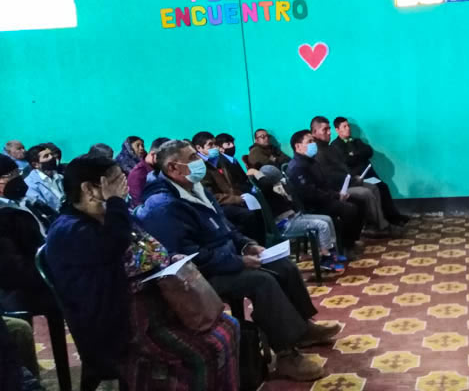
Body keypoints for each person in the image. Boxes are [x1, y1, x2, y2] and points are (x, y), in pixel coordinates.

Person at [137, 140, 338, 381]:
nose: (200, 161)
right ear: (172, 168)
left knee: (283, 265)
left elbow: (226, 227)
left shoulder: (196, 188)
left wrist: (246, 244)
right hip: (200, 275)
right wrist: (238, 262)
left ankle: (303, 329)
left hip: (225, 257)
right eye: (192, 158)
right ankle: (286, 354)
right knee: (262, 281)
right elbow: (190, 256)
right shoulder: (163, 206)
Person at [45, 154, 240, 390]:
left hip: (155, 305)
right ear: (89, 188)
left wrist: (169, 260)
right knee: (205, 349)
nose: (124, 187)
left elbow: (148, 247)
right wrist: (115, 202)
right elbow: (114, 247)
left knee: (229, 327)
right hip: (122, 322)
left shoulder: (108, 214)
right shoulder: (69, 230)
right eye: (116, 181)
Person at [311, 116, 400, 236]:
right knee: (366, 192)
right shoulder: (320, 151)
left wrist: (353, 177)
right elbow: (331, 175)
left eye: (329, 129)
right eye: (325, 130)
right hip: (337, 188)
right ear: (314, 132)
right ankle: (380, 226)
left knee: (375, 187)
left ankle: (377, 224)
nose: (329, 132)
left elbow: (366, 152)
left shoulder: (331, 148)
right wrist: (351, 180)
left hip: (348, 181)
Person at [0, 156, 59, 324]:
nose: (16, 178)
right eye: (9, 175)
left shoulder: (26, 202)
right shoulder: (4, 216)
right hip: (22, 291)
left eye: (16, 172)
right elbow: (11, 267)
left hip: (48, 272)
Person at [287, 130, 365, 257]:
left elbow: (324, 184)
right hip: (312, 205)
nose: (313, 144)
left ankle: (351, 240)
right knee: (349, 209)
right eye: (309, 141)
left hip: (323, 198)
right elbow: (310, 193)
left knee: (359, 202)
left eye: (313, 141)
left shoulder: (312, 161)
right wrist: (336, 196)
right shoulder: (298, 167)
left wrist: (338, 194)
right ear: (298, 146)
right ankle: (345, 247)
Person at [330, 116, 410, 225]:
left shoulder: (356, 141)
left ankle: (393, 216)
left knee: (383, 186)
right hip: (356, 177)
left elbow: (369, 151)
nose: (348, 128)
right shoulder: (335, 145)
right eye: (344, 126)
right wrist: (358, 156)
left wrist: (354, 155)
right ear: (337, 130)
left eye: (348, 125)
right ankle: (384, 219)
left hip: (368, 174)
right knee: (377, 188)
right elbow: (347, 160)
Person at [192, 132, 264, 244]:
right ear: (199, 148)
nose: (215, 147)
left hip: (232, 197)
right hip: (218, 205)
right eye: (210, 145)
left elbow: (232, 184)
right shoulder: (199, 167)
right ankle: (251, 246)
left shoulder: (220, 160)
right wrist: (237, 199)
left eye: (215, 144)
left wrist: (242, 195)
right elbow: (210, 195)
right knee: (247, 215)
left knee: (258, 207)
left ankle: (263, 246)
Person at [127, 137, 170, 208]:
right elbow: (139, 206)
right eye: (166, 159)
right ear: (153, 155)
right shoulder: (138, 174)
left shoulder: (158, 168)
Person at [23, 144, 64, 212]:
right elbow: (43, 209)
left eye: (51, 154)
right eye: (46, 156)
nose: (51, 157)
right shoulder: (30, 185)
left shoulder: (60, 175)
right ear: (35, 164)